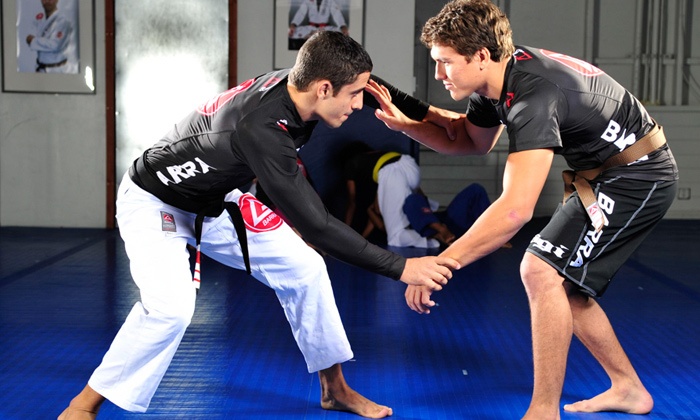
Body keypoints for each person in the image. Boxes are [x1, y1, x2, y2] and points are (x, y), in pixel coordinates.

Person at [58, 31, 460, 420]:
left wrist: (446, 120)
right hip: (156, 200)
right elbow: (318, 227)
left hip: (216, 197)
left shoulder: (304, 80)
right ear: (323, 88)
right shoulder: (262, 129)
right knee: (171, 309)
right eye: (352, 95)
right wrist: (403, 267)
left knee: (306, 269)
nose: (359, 105)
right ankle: (84, 404)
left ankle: (334, 389)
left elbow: (380, 91)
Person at [366, 0, 678, 418]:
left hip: (639, 174)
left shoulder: (533, 95)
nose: (438, 74)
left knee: (540, 269)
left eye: (445, 63)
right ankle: (628, 388)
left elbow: (515, 211)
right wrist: (409, 126)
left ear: (480, 56)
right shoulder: (497, 79)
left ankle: (543, 411)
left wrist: (440, 263)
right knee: (562, 283)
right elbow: (469, 140)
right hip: (605, 173)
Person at [342, 145, 492, 248]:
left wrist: (346, 233)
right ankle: (488, 234)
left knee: (395, 237)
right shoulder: (385, 184)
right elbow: (381, 215)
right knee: (475, 190)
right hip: (410, 166)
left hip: (438, 223)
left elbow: (353, 203)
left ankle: (439, 230)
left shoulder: (354, 165)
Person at [25, 0, 74, 73]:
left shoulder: (63, 21)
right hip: (41, 68)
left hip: (57, 69)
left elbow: (55, 45)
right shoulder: (40, 19)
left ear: (57, 0)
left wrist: (33, 41)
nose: (47, 1)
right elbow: (28, 35)